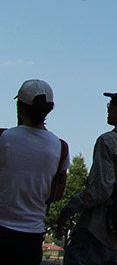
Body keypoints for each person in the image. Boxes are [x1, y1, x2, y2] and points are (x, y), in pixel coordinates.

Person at [59, 88, 117, 265]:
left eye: (110, 104)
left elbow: (99, 191)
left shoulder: (108, 141)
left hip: (97, 232)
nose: (108, 108)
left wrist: (69, 208)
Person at [0, 80, 69, 265]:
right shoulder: (60, 147)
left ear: (19, 107)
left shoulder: (3, 138)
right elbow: (58, 194)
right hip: (32, 235)